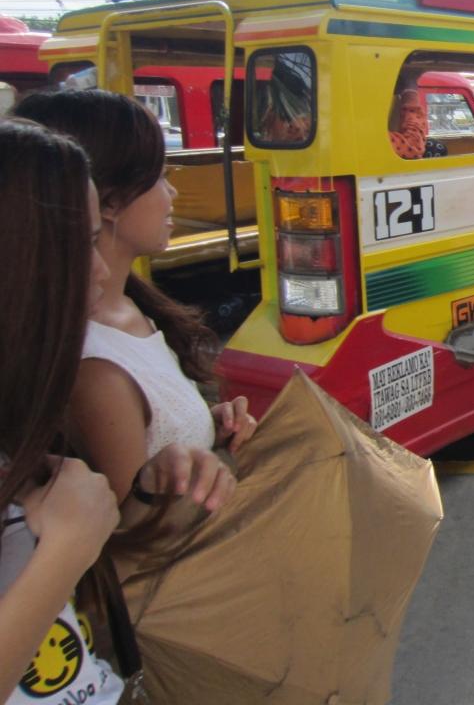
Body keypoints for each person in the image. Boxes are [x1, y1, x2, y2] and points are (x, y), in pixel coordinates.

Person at [0, 119, 235, 704]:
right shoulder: (92, 370)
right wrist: (67, 548)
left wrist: (152, 489)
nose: (101, 269)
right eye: (82, 243)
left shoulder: (22, 432)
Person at [13, 90, 257, 505]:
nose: (171, 193)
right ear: (108, 201)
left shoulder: (130, 309)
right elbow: (141, 527)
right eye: (160, 176)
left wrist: (208, 429)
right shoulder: (95, 368)